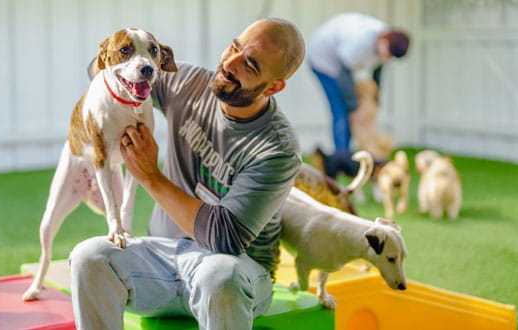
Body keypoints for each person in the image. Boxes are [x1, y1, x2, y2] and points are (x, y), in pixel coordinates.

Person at [69, 18, 305, 330]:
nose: (230, 62)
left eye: (249, 64)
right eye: (234, 46)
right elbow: (100, 68)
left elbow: (225, 237)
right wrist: (127, 59)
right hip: (160, 257)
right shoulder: (188, 83)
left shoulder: (278, 149)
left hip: (238, 270)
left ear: (274, 87)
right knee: (89, 257)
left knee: (220, 276)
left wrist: (151, 176)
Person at [307, 12, 409, 178]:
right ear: (384, 43)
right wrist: (353, 107)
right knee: (340, 109)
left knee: (354, 111)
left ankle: (352, 159)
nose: (388, 58)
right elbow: (343, 74)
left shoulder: (384, 44)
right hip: (323, 60)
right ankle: (343, 159)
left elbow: (377, 73)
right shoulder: (360, 42)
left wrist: (376, 100)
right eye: (389, 54)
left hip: (341, 61)